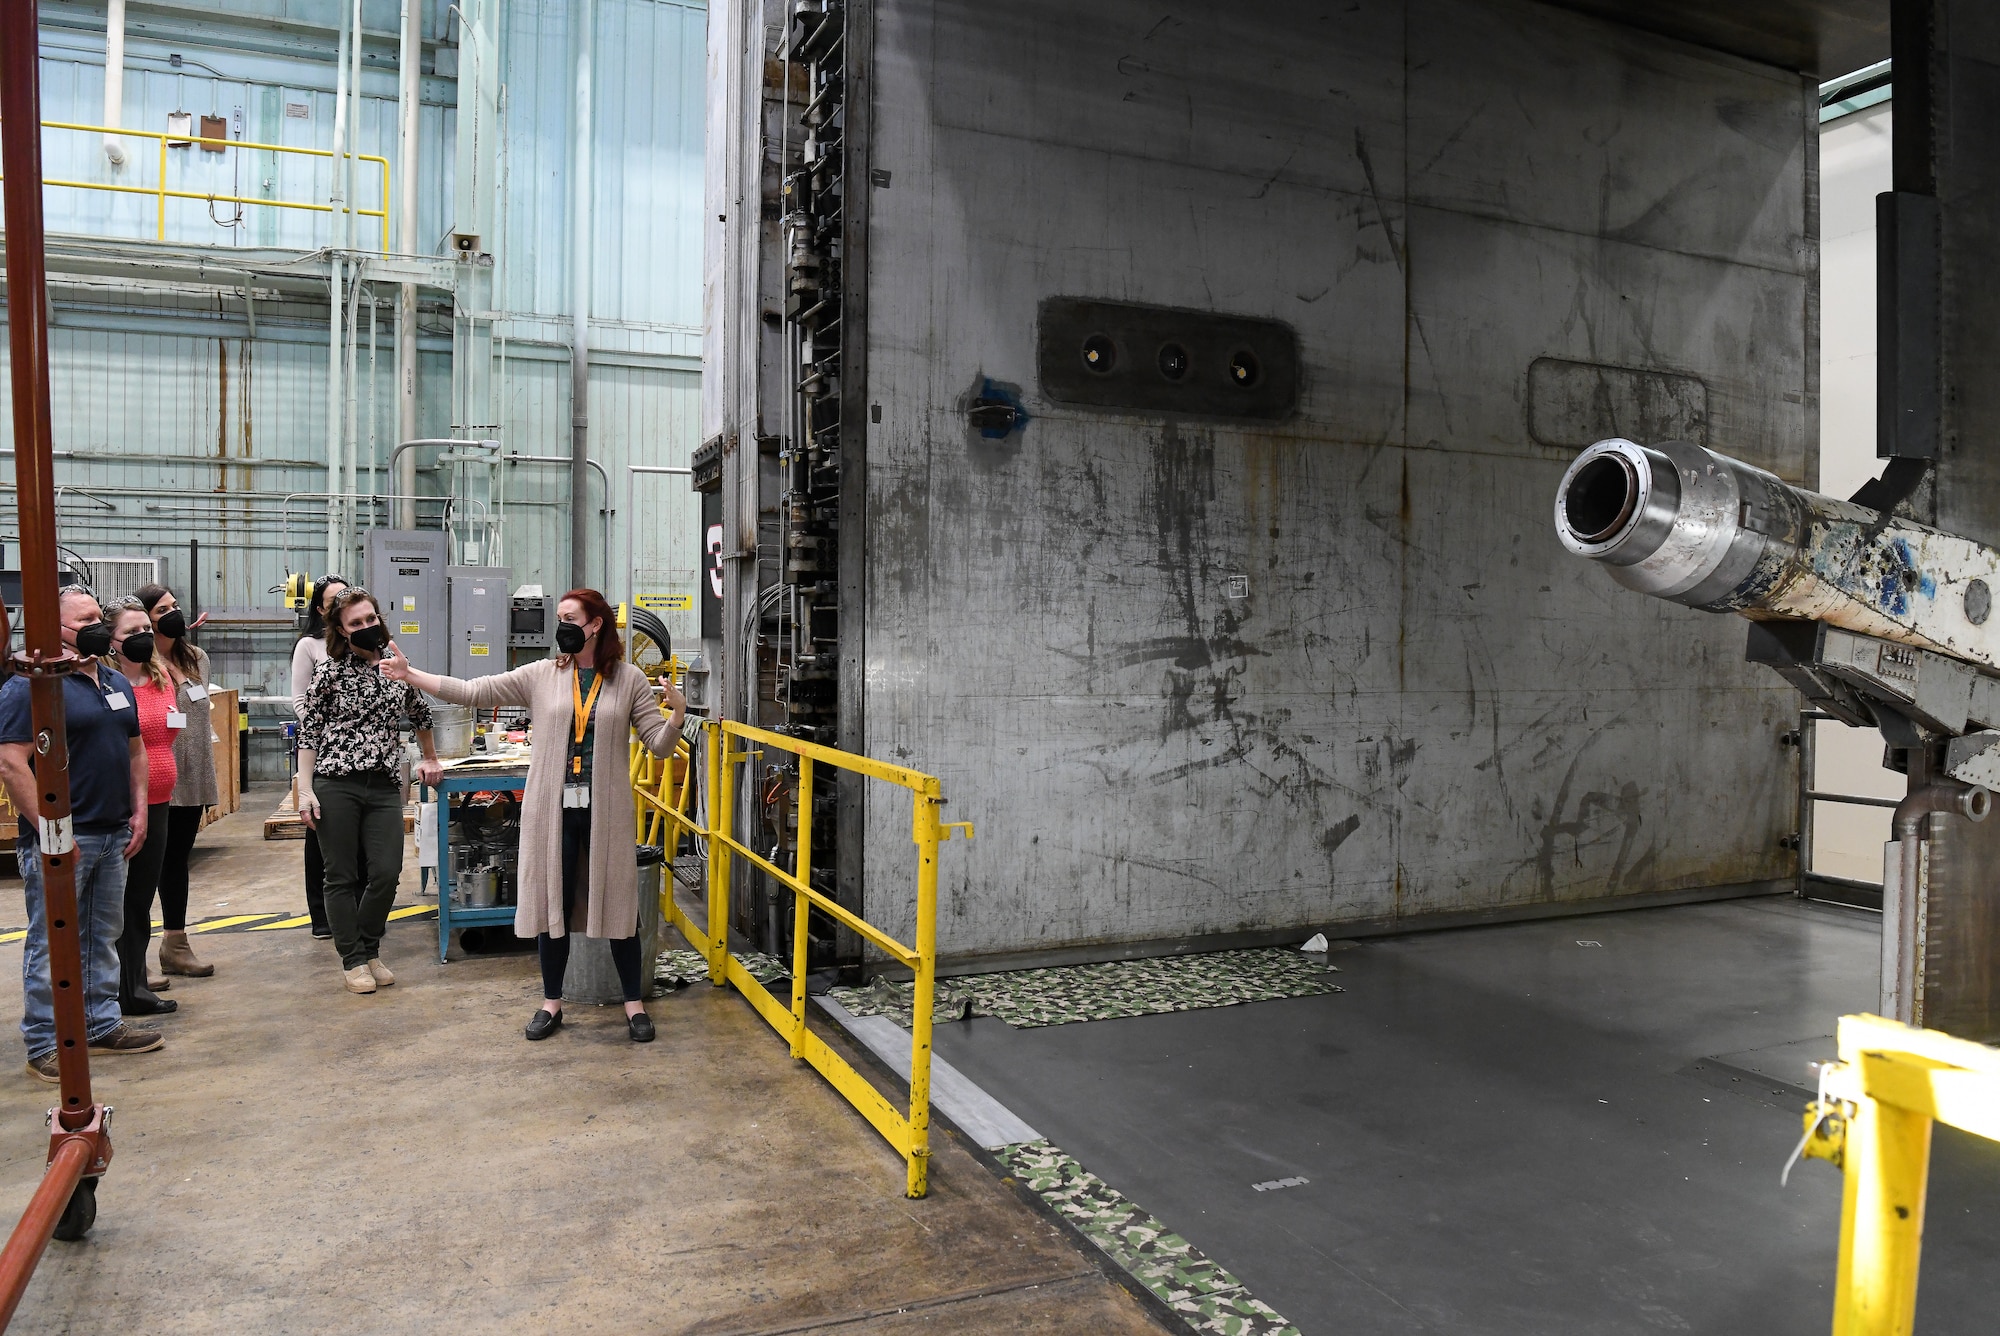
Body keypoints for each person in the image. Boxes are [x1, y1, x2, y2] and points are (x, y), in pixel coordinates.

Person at [381, 589, 685, 1042]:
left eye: (569, 617)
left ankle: (634, 1006)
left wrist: (676, 715)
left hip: (605, 813)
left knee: (619, 905)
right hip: (551, 810)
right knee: (552, 903)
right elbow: (473, 691)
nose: (560, 626)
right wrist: (412, 675)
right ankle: (551, 1002)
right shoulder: (542, 674)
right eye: (559, 617)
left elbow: (658, 745)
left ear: (596, 624)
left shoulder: (629, 679)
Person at [0, 587, 163, 1082]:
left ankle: (99, 1023)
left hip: (114, 831)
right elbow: (11, 762)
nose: (99, 626)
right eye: (86, 619)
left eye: (99, 617)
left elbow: (135, 752)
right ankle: (45, 1041)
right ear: (57, 632)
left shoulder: (113, 680)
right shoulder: (32, 686)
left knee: (101, 935)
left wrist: (140, 811)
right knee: (52, 940)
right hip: (65, 838)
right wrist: (53, 830)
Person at [295, 587, 442, 994]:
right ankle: (355, 958)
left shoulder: (396, 668)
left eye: (369, 619)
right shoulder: (329, 671)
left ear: (380, 619)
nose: (364, 627)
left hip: (382, 784)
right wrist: (305, 789)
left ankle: (368, 946)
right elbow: (310, 731)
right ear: (340, 630)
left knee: (386, 872)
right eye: (354, 623)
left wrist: (429, 757)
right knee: (340, 875)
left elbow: (420, 713)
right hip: (335, 781)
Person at [137, 583, 218, 979]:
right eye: (163, 609)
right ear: (146, 619)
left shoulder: (197, 658)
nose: (175, 612)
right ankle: (133, 955)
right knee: (143, 866)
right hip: (154, 774)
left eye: (175, 605)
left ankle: (175, 945)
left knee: (175, 861)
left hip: (193, 773)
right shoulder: (134, 662)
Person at [107, 600, 179, 1017]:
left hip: (159, 801)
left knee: (139, 900)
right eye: (131, 632)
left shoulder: (160, 676)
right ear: (111, 642)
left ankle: (134, 987)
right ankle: (111, 991)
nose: (142, 638)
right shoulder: (106, 683)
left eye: (144, 630)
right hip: (120, 805)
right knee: (113, 903)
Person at [290, 574, 350, 939]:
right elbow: (300, 701)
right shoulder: (310, 646)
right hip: (324, 751)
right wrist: (329, 734)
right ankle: (322, 917)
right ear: (320, 609)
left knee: (359, 841)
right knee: (321, 835)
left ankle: (358, 912)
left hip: (359, 756)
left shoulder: (366, 643)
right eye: (333, 601)